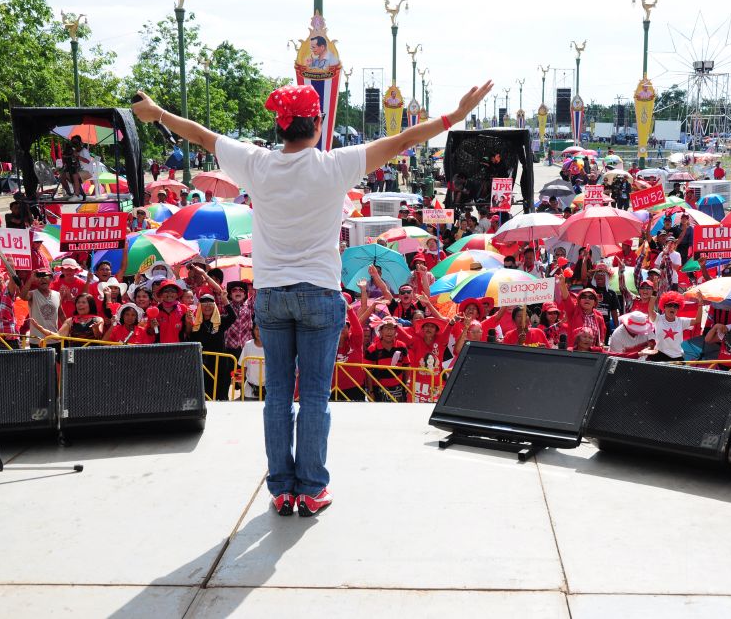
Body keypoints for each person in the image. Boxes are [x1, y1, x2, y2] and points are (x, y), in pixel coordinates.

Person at [133, 79, 493, 516]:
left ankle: (282, 490)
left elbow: (202, 135)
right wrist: (455, 115)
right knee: (315, 397)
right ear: (318, 123)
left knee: (278, 395)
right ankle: (311, 489)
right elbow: (403, 140)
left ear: (279, 125)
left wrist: (158, 113)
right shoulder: (335, 165)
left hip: (271, 295)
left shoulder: (257, 163)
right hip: (319, 294)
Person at [190, 292, 237, 400]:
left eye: (210, 303)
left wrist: (225, 301)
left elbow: (232, 317)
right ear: (199, 306)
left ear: (214, 306)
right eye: (204, 303)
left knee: (221, 395)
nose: (207, 306)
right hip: (203, 364)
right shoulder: (195, 323)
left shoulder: (220, 321)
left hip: (220, 364)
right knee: (206, 395)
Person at [645, 291, 703, 362]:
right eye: (669, 305)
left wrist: (700, 303)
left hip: (677, 357)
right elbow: (650, 310)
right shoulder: (658, 318)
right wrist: (654, 293)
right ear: (664, 307)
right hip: (659, 355)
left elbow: (698, 320)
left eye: (675, 306)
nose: (672, 308)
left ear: (678, 309)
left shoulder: (681, 321)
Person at [22, 268, 62, 348]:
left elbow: (61, 315)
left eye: (45, 276)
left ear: (51, 278)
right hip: (37, 341)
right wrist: (30, 280)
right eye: (39, 277)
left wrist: (66, 332)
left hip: (54, 339)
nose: (42, 279)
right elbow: (23, 296)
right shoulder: (32, 294)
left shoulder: (57, 294)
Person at [240, 325, 266, 400]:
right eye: (257, 329)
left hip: (268, 390)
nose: (259, 332)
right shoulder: (248, 345)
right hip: (250, 390)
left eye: (262, 329)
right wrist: (241, 379)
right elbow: (243, 365)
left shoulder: (271, 346)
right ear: (253, 330)